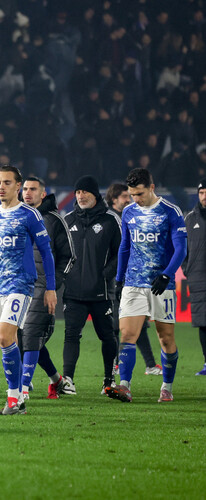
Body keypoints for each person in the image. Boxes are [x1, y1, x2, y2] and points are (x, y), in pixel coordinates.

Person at [0, 165, 57, 415]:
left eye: (6, 182)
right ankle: (18, 400)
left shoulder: (29, 215)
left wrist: (50, 288)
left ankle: (13, 397)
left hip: (21, 285)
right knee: (8, 341)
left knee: (5, 336)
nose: (1, 187)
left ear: (17, 186)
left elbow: (46, 252)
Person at [106, 168, 187, 403]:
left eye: (139, 194)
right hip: (133, 283)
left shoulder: (170, 211)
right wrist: (119, 279)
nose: (135, 199)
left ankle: (167, 386)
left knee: (166, 338)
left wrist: (167, 275)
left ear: (151, 188)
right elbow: (125, 247)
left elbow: (181, 249)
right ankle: (124, 386)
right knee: (127, 334)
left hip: (161, 285)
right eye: (132, 194)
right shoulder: (129, 212)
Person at [62, 176, 121, 395]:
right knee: (71, 336)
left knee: (107, 337)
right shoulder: (68, 220)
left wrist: (106, 275)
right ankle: (68, 380)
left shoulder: (110, 220)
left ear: (95, 194)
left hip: (101, 292)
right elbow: (58, 253)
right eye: (78, 192)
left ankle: (108, 381)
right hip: (73, 292)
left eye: (85, 192)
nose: (81, 196)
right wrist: (65, 276)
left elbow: (121, 253)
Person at [19, 176, 74, 407]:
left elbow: (69, 256)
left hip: (43, 287)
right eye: (25, 189)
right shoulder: (16, 216)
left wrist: (53, 285)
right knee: (21, 338)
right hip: (19, 285)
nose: (27, 193)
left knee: (32, 334)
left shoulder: (54, 220)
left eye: (33, 189)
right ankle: (56, 380)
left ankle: (22, 388)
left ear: (43, 194)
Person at [105, 183, 163, 376]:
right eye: (124, 196)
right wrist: (112, 274)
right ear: (114, 199)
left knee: (139, 324)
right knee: (116, 325)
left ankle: (150, 364)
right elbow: (117, 251)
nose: (128, 200)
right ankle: (116, 365)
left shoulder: (131, 216)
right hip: (115, 280)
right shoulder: (110, 220)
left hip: (133, 278)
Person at [184, 179, 206, 376]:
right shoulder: (190, 219)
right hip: (199, 278)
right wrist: (188, 270)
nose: (204, 196)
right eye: (201, 193)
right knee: (203, 323)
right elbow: (182, 249)